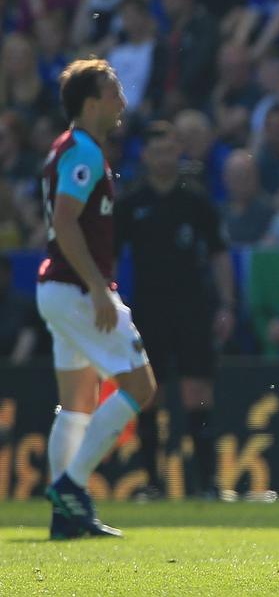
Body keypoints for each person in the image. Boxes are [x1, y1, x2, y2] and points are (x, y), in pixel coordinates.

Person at [38, 58, 158, 538]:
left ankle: (64, 513)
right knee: (141, 387)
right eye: (113, 93)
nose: (121, 102)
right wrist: (96, 287)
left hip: (57, 289)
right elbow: (66, 223)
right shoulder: (84, 152)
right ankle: (70, 486)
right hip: (76, 288)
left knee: (76, 406)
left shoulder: (64, 148)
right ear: (91, 104)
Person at [114, 121, 235, 500]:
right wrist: (113, 306)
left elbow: (219, 254)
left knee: (198, 391)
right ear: (145, 156)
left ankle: (207, 484)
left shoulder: (195, 201)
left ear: (178, 153)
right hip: (148, 309)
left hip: (193, 307)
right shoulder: (131, 204)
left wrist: (226, 304)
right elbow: (112, 259)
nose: (165, 158)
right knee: (151, 393)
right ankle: (152, 482)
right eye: (158, 151)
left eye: (171, 150)